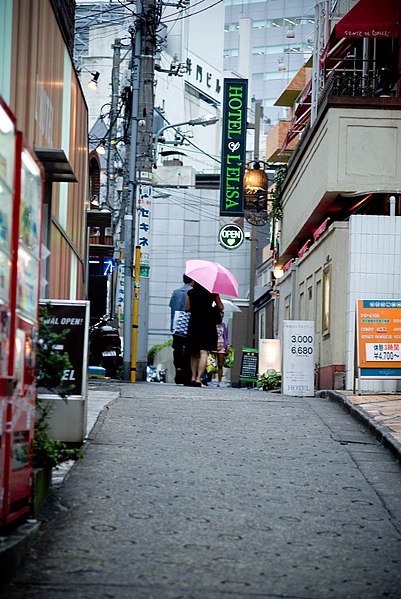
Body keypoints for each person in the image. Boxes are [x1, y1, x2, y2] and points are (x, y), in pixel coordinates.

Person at [186, 282, 224, 387]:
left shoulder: (190, 293)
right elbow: (221, 307)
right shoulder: (213, 293)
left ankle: (193, 378)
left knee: (194, 352)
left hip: (194, 323)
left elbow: (187, 308)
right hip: (208, 325)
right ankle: (199, 379)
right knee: (204, 353)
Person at [169, 275, 194, 384]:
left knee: (177, 349)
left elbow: (172, 307)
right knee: (189, 350)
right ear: (193, 280)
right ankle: (187, 375)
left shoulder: (176, 292)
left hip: (176, 325)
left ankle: (178, 369)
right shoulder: (193, 293)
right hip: (189, 326)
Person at [215, 309, 229, 387]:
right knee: (211, 364)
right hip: (213, 345)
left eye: (222, 314)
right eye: (220, 314)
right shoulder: (212, 323)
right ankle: (209, 380)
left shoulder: (223, 325)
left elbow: (225, 336)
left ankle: (219, 380)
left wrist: (227, 346)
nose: (222, 316)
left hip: (221, 345)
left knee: (220, 364)